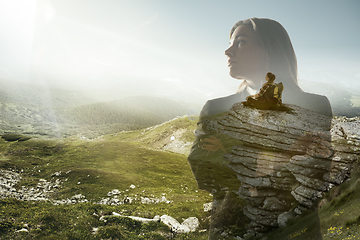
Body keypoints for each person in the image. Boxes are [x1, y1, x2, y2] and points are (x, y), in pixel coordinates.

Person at [188, 18, 332, 239]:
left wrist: (230, 153)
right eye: (230, 43)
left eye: (241, 42)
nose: (228, 51)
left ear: (270, 51)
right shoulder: (215, 109)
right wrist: (285, 155)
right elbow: (206, 174)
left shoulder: (315, 106)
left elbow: (314, 175)